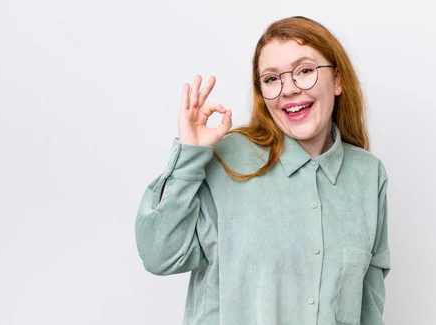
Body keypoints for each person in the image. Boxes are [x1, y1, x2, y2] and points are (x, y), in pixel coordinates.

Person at [135, 15, 390, 325]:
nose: (289, 89)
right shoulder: (227, 159)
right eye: (271, 79)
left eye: (305, 71)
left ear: (337, 80)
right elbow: (159, 254)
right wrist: (190, 154)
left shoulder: (368, 176)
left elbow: (369, 307)